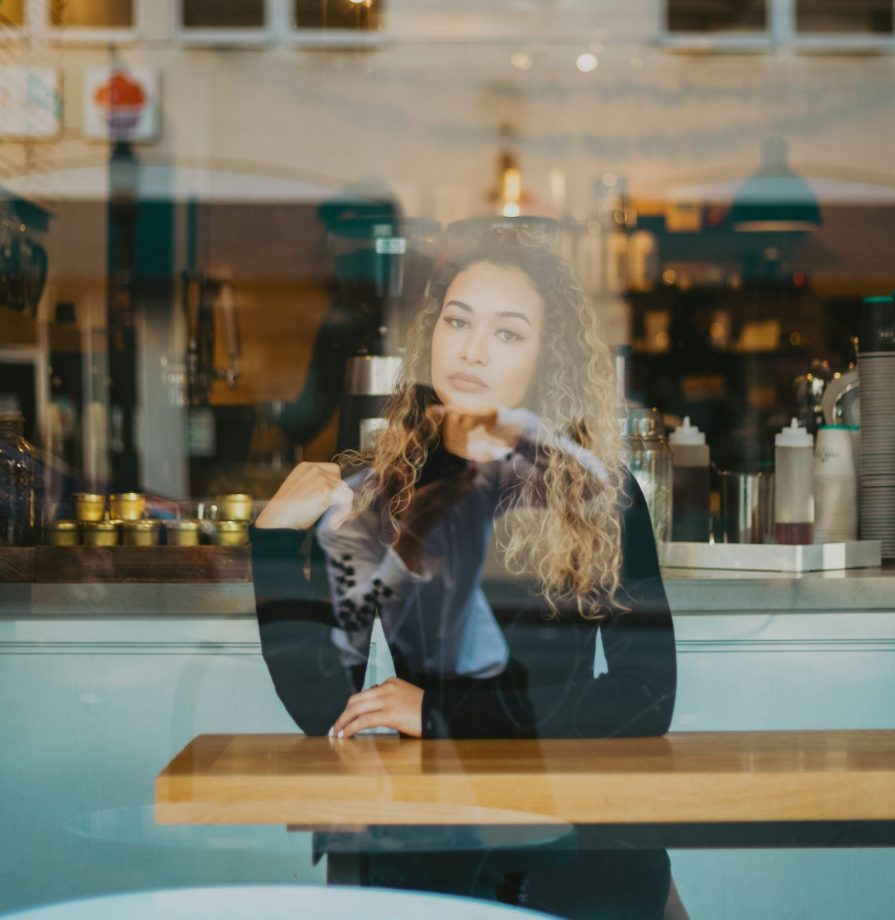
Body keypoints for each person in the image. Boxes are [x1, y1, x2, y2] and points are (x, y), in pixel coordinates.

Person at [250, 225, 678, 918]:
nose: (472, 349)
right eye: (457, 321)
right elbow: (328, 708)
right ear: (431, 338)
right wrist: (272, 543)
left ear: (547, 360)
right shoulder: (380, 490)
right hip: (429, 838)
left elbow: (644, 698)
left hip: (572, 845)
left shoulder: (600, 492)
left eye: (508, 333)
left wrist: (448, 716)